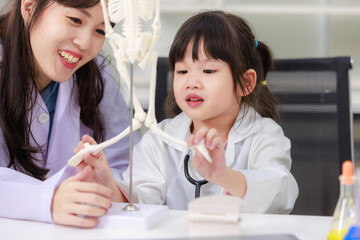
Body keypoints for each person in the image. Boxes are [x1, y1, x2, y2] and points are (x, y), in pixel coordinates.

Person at [81, 10, 299, 213]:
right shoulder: (160, 139)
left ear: (245, 82)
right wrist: (108, 184)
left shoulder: (264, 135)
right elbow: (142, 198)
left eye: (208, 70)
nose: (191, 82)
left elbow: (281, 192)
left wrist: (225, 176)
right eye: (182, 70)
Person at [0, 0, 137, 228]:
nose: (85, 43)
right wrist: (47, 201)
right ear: (29, 7)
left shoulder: (97, 76)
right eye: (75, 20)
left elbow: (127, 160)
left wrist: (105, 183)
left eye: (101, 30)